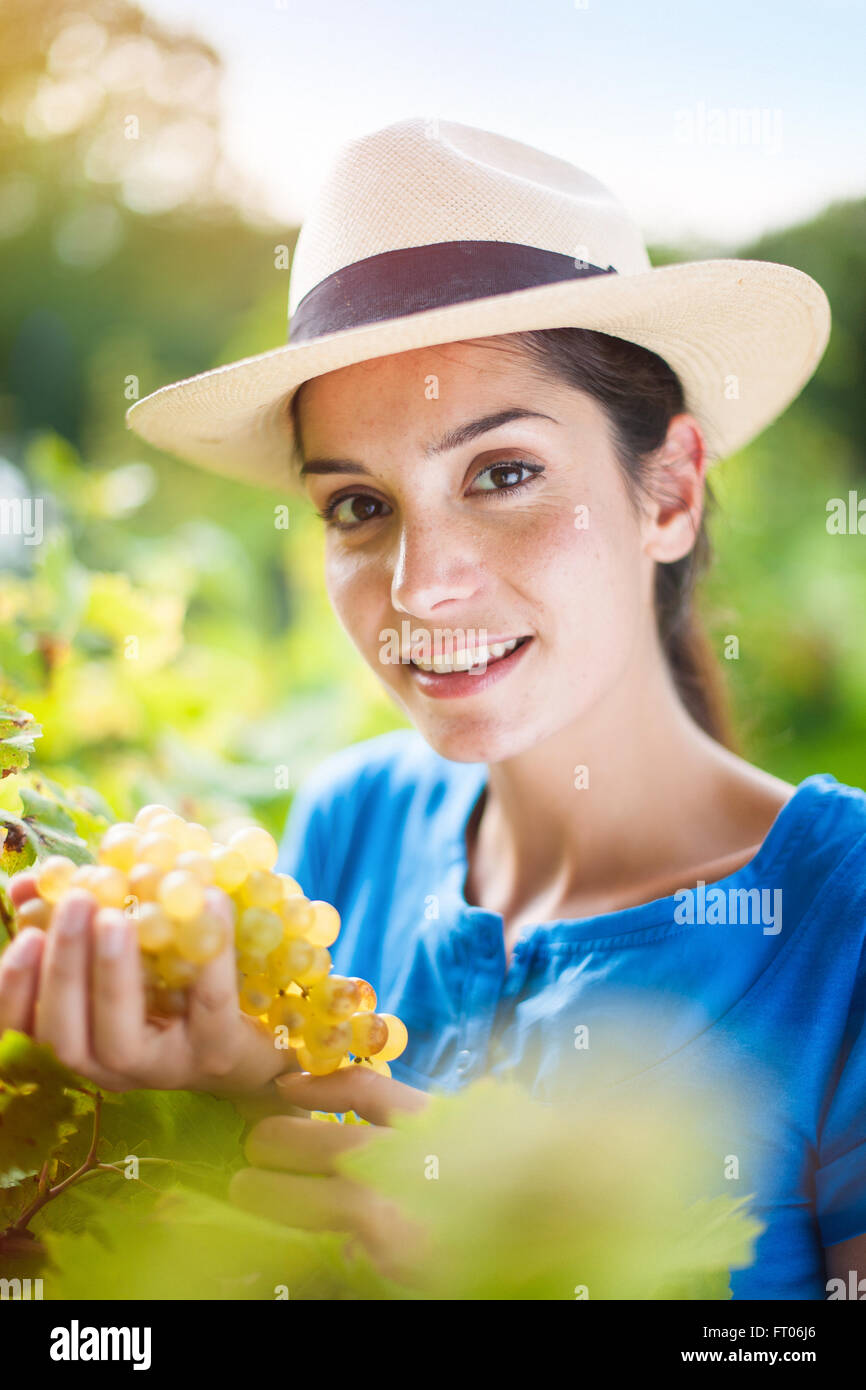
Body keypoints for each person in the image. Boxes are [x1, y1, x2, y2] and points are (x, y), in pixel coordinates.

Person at [3, 117, 864, 1300]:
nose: (418, 585)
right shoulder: (350, 824)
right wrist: (228, 1093)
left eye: (501, 473)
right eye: (358, 505)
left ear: (667, 491)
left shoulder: (846, 923)